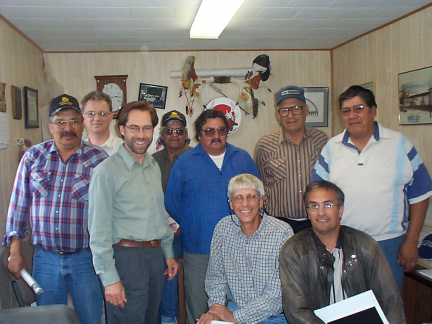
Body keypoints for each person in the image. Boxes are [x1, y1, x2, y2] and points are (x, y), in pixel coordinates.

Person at [311, 85, 432, 290]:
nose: (352, 116)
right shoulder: (331, 147)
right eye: (346, 111)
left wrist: (411, 241)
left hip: (388, 244)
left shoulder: (399, 145)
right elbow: (317, 198)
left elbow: (420, 194)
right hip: (343, 242)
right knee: (347, 308)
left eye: (359, 108)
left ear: (373, 110)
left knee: (387, 309)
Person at [3, 94, 108, 324]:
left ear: (82, 124)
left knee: (90, 319)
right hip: (45, 259)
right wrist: (14, 250)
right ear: (50, 126)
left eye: (73, 121)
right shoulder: (33, 157)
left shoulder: (99, 160)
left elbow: (109, 211)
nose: (67, 127)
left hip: (86, 259)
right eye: (60, 122)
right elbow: (18, 204)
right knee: (49, 319)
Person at [165, 109, 259, 324]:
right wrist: (193, 222)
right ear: (199, 134)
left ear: (227, 132)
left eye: (221, 130)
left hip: (240, 250)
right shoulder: (184, 162)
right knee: (199, 310)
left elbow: (256, 198)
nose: (215, 135)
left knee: (238, 310)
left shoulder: (242, 158)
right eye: (208, 131)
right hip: (198, 250)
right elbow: (171, 201)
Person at [88, 101, 178, 324]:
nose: (141, 134)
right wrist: (109, 280)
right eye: (134, 128)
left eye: (147, 128)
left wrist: (167, 253)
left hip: (154, 258)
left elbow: (159, 214)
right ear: (122, 130)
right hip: (125, 260)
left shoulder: (152, 165)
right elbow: (98, 233)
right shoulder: (106, 172)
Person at [279, 180, 406, 323]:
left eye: (328, 205)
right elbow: (296, 311)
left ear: (340, 210)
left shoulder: (365, 245)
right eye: (314, 206)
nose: (321, 213)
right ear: (308, 212)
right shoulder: (294, 251)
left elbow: (390, 300)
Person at [197, 174, 293, 324]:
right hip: (234, 308)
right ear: (231, 203)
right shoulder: (223, 229)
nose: (245, 203)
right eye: (238, 198)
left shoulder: (281, 232)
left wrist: (236, 318)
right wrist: (217, 310)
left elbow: (278, 294)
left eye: (251, 196)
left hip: (273, 316)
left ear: (261, 201)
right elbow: (216, 278)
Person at [255, 85, 328, 233]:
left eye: (296, 108)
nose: (290, 115)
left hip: (315, 222)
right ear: (278, 114)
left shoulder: (322, 142)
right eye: (285, 110)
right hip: (277, 225)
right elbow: (260, 185)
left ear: (306, 110)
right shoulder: (265, 145)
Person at [152, 110, 192, 324]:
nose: (174, 135)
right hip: (160, 232)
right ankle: (167, 317)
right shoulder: (151, 161)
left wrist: (182, 227)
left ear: (186, 134)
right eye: (169, 130)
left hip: (189, 234)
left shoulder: (197, 157)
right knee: (164, 276)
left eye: (179, 130)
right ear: (162, 134)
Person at [82, 90, 123, 156]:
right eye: (91, 114)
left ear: (110, 118)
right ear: (83, 118)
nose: (97, 118)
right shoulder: (78, 151)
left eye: (102, 114)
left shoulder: (123, 150)